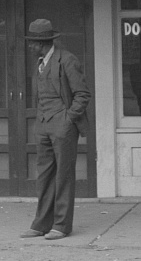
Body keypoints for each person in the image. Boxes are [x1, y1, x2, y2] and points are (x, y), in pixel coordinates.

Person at [19, 19, 91, 241]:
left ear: (42, 43)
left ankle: (61, 225)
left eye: (32, 43)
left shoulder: (67, 60)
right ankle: (41, 224)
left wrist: (68, 118)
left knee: (63, 176)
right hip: (43, 124)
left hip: (63, 125)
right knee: (45, 176)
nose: (30, 46)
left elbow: (82, 94)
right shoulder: (40, 62)